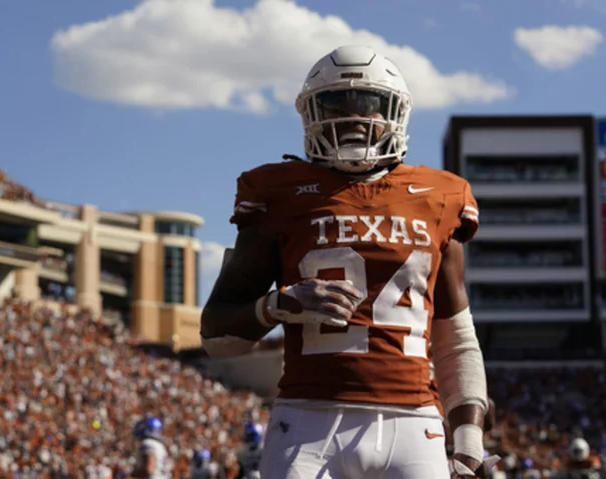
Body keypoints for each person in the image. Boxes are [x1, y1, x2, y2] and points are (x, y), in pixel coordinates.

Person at [201, 44, 497, 479]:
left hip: (414, 421)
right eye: (336, 103)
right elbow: (217, 336)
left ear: (395, 113)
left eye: (370, 104)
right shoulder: (277, 192)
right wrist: (278, 304)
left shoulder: (441, 196)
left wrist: (470, 444)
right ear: (311, 112)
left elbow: (455, 337)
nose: (354, 117)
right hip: (307, 417)